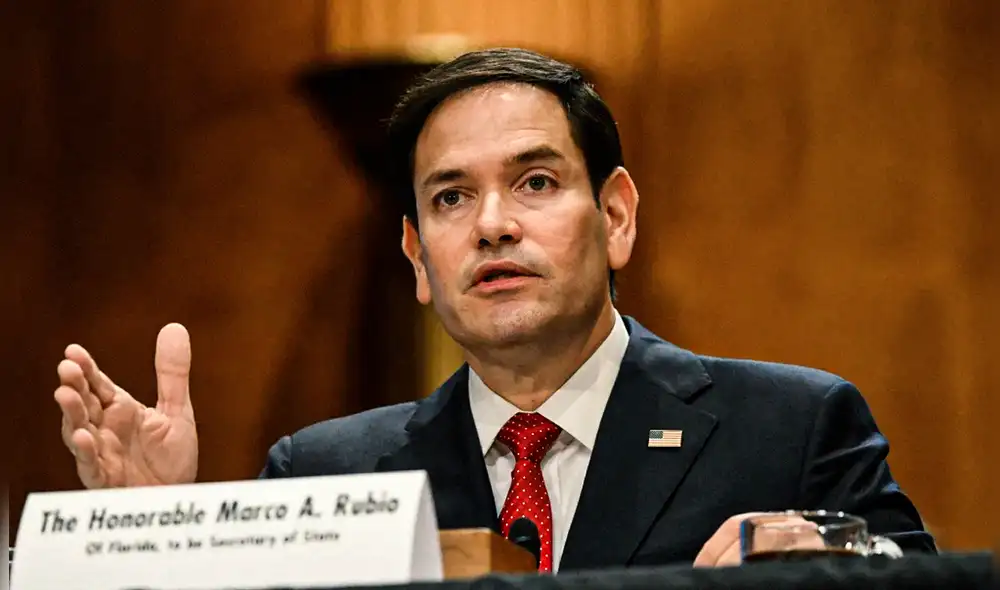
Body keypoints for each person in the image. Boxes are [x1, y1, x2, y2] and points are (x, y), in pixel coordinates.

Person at [53, 47, 934, 572]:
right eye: (448, 199)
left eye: (537, 182)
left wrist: (845, 559)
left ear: (616, 216)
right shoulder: (326, 472)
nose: (492, 225)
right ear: (419, 262)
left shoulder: (794, 428)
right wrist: (153, 539)